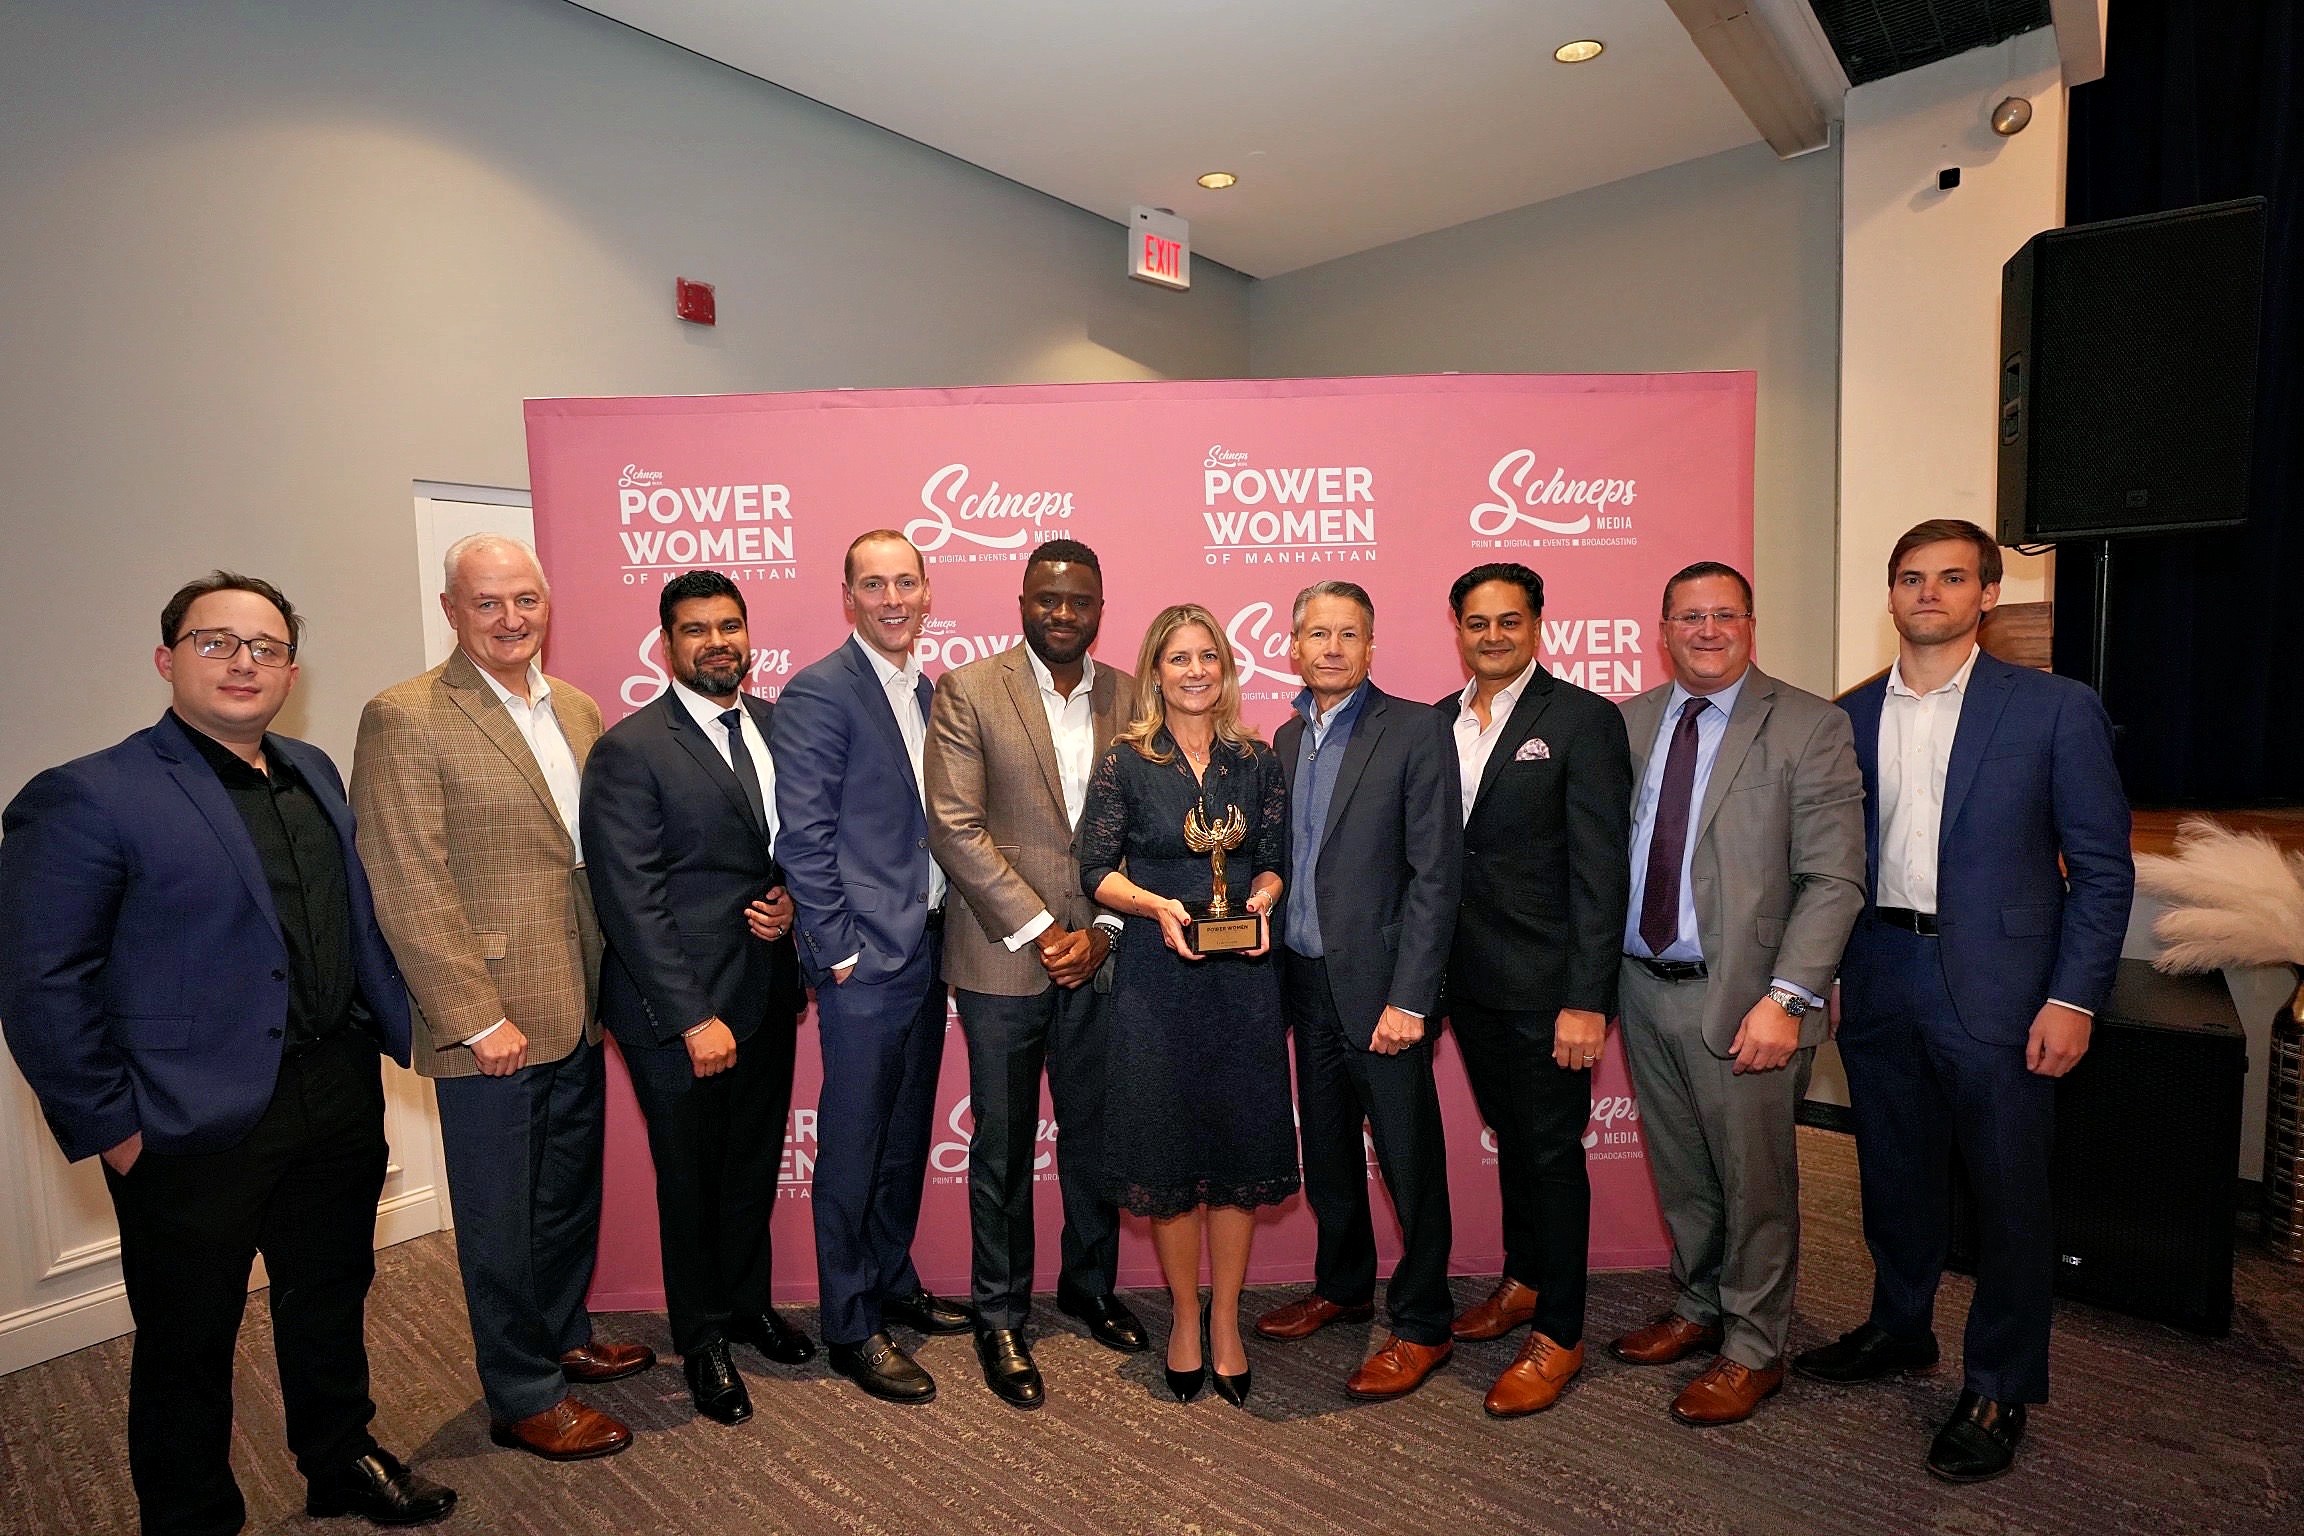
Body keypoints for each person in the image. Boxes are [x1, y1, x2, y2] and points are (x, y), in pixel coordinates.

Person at [0, 572, 455, 1534]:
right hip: (183, 1122)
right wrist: (112, 1129)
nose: (245, 663)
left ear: (292, 667)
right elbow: (41, 982)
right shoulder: (87, 795)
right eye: (217, 642)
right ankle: (192, 1512)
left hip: (335, 1092)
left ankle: (341, 1460)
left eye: (267, 646)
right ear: (167, 660)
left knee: (328, 1297)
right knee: (189, 1338)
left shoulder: (314, 772)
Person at [1796, 520, 2132, 1482]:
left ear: (1987, 594)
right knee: (1893, 1179)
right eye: (1911, 578)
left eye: (1952, 578)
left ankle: (2001, 1384)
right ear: (1890, 595)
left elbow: (2103, 873)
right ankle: (1900, 1328)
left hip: (2005, 990)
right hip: (1882, 977)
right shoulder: (1845, 717)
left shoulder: (2054, 710)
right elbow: (1828, 865)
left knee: (2008, 1198)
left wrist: (2075, 998)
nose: (1929, 593)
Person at [351, 534, 646, 1463]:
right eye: (488, 603)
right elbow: (405, 879)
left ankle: (562, 1335)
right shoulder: (405, 716)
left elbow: (584, 857)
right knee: (500, 1215)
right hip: (491, 1023)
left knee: (562, 1198)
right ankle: (523, 1394)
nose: (511, 619)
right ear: (451, 612)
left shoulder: (580, 707)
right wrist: (474, 1014)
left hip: (574, 999)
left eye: (525, 600)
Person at [1607, 561, 1865, 1426]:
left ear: (1750, 624)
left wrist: (1789, 998)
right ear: (1663, 627)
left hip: (1751, 1000)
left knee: (1757, 1183)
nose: (1706, 630)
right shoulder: (1629, 724)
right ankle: (1697, 1306)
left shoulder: (1808, 725)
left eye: (1723, 615)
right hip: (1642, 987)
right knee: (1684, 1172)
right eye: (1688, 617)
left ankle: (1755, 1346)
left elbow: (1833, 879)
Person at [579, 569, 810, 1429]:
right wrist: (690, 1018)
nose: (717, 641)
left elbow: (787, 848)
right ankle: (702, 1337)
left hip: (764, 986)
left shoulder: (779, 727)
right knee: (691, 1179)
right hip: (673, 1011)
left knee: (750, 1165)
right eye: (696, 629)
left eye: (729, 626)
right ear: (666, 644)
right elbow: (626, 897)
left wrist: (787, 900)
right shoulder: (631, 748)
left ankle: (746, 1307)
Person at [924, 539, 1145, 1411]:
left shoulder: (1135, 695)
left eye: (1079, 601)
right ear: (1023, 598)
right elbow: (955, 827)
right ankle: (1001, 1315)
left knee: (1097, 1138)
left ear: (1100, 606)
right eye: (1048, 598)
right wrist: (1047, 930)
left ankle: (1089, 1287)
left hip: (1106, 954)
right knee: (1005, 1147)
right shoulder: (969, 690)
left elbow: (1153, 831)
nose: (1062, 614)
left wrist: (1105, 929)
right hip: (1001, 958)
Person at [775, 531, 975, 1405]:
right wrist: (839, 949)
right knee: (854, 1147)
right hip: (866, 961)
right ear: (847, 595)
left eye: (907, 581)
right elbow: (804, 837)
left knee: (900, 1137)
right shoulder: (821, 691)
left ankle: (892, 1280)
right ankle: (851, 1324)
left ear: (928, 592)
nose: (893, 597)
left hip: (927, 949)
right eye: (874, 584)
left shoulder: (926, 692)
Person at [1077, 602, 1295, 1407]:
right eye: (1178, 658)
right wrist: (1157, 905)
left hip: (1242, 979)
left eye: (1208, 656)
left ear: (1226, 667)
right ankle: (1182, 1320)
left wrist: (1264, 900)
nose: (1195, 670)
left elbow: (1272, 860)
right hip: (1157, 979)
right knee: (1168, 1156)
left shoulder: (1257, 760)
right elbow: (1093, 868)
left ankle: (1229, 1320)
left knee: (1237, 1157)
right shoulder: (1126, 762)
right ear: (1155, 671)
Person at [1252, 581, 1462, 1401]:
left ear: (1371, 648)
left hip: (1383, 992)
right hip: (1303, 980)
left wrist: (1411, 999)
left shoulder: (1414, 730)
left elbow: (1436, 877)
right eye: (1317, 634)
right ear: (1293, 647)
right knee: (1329, 1150)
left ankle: (1423, 1323)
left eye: (1349, 635)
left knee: (1409, 1159)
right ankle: (1342, 1288)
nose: (1332, 649)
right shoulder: (1281, 738)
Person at [1437, 561, 1632, 1417]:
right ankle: (1523, 1279)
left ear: (1538, 623)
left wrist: (1588, 999)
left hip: (1551, 988)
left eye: (1508, 622)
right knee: (1513, 1139)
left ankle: (1561, 1329)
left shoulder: (1584, 720)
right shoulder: (1439, 722)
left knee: (1550, 1155)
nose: (1492, 637)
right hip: (1467, 982)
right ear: (1458, 630)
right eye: (1477, 623)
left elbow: (1601, 870)